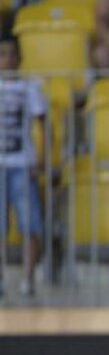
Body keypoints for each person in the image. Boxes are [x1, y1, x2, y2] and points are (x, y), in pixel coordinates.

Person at [0, 36, 46, 299]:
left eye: (10, 54)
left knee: (29, 224)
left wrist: (41, 159)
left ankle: (28, 279)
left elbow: (42, 125)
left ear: (19, 58)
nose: (6, 59)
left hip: (21, 163)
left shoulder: (30, 87)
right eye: (1, 54)